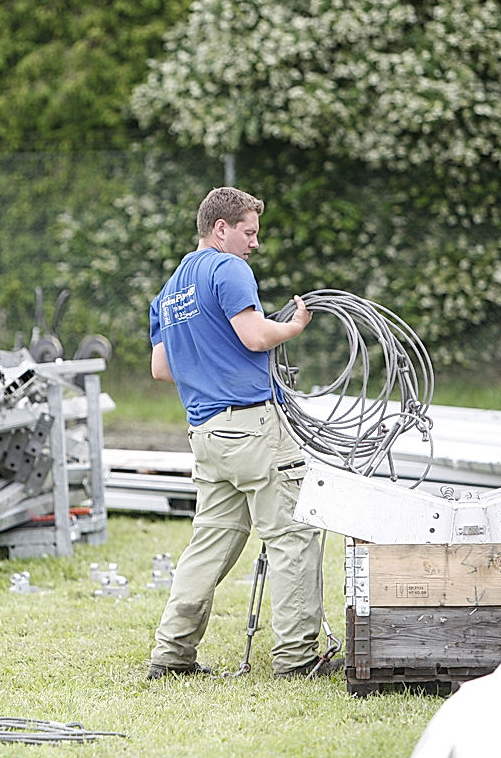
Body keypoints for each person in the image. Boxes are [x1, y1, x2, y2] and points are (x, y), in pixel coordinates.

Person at [146, 186, 339, 680]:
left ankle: (171, 655)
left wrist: (211, 360)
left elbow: (162, 368)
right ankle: (296, 660)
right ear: (221, 229)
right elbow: (254, 336)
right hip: (253, 428)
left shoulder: (170, 291)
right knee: (293, 535)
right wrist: (292, 327)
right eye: (249, 232)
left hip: (206, 434)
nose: (254, 242)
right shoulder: (228, 269)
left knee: (209, 543)